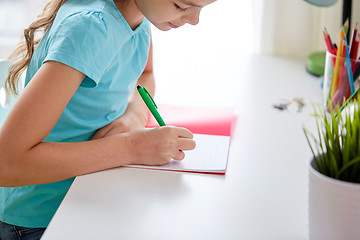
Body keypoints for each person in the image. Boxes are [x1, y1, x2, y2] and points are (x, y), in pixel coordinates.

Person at [0, 0, 215, 239]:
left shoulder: (138, 16)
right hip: (41, 217)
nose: (194, 20)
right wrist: (132, 147)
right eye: (181, 6)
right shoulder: (91, 28)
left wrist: (134, 116)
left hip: (89, 192)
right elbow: (7, 164)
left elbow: (146, 74)